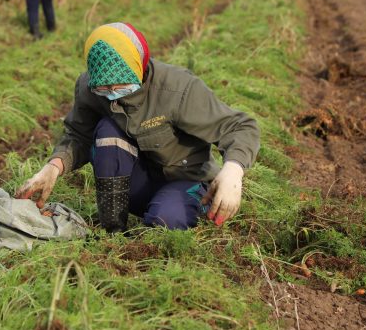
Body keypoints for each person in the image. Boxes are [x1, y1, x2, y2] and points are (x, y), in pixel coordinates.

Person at [15, 22, 260, 231]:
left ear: (139, 68)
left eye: (121, 86)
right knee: (108, 129)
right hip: (137, 180)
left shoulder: (177, 90)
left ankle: (172, 208)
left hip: (185, 179)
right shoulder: (90, 88)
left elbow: (239, 126)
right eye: (104, 89)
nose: (112, 95)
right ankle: (113, 230)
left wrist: (233, 172)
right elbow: (79, 134)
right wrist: (53, 167)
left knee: (166, 220)